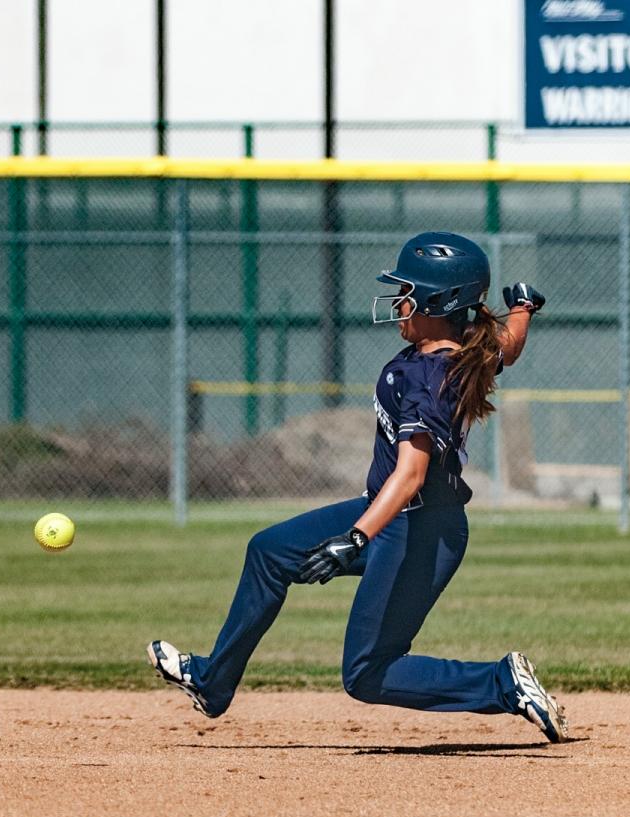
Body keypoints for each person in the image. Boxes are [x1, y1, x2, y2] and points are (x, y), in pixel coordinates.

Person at [148, 232, 567, 743]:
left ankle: (500, 682)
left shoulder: (430, 377)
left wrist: (358, 537)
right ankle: (213, 682)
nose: (398, 302)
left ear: (440, 303)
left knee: (368, 672)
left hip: (415, 529)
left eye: (408, 292)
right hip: (397, 515)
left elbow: (410, 474)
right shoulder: (468, 348)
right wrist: (522, 306)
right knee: (269, 552)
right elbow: (509, 345)